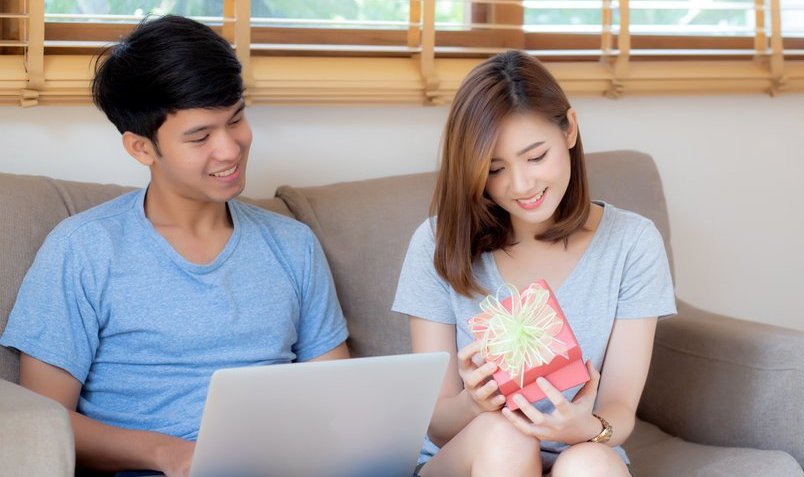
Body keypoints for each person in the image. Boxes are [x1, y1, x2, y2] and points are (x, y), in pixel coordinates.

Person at [0, 15, 349, 477]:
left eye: (237, 119)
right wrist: (168, 454)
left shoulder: (292, 244)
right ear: (141, 148)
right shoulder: (84, 249)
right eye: (200, 136)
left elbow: (341, 394)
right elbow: (40, 420)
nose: (229, 149)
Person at [393, 50, 676, 477]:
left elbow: (620, 408)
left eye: (536, 156)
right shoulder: (438, 242)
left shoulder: (632, 242)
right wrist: (473, 402)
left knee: (590, 465)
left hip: (578, 448)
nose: (521, 185)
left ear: (570, 130)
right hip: (470, 456)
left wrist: (587, 426)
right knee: (506, 438)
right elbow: (436, 426)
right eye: (495, 169)